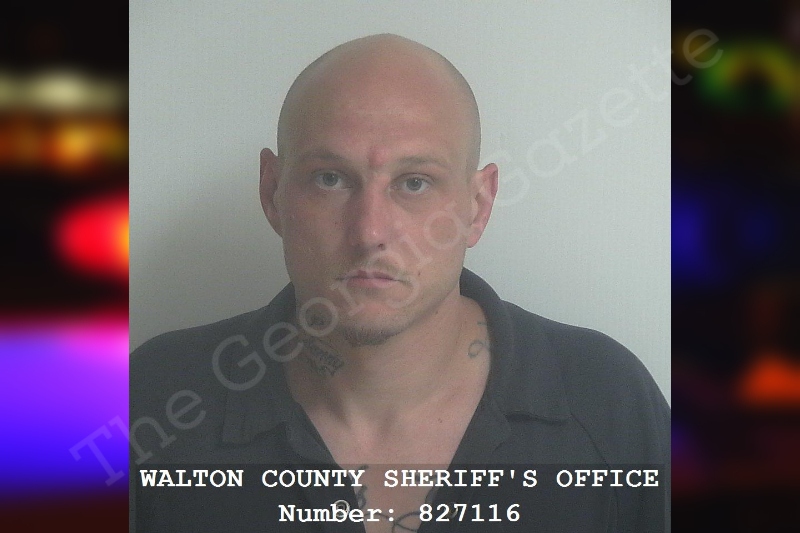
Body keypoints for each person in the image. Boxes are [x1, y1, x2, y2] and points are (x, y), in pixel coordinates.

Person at [131, 34, 670, 532]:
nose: (369, 232)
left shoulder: (608, 401)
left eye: (414, 182)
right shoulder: (153, 400)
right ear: (272, 193)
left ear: (478, 206)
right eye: (330, 178)